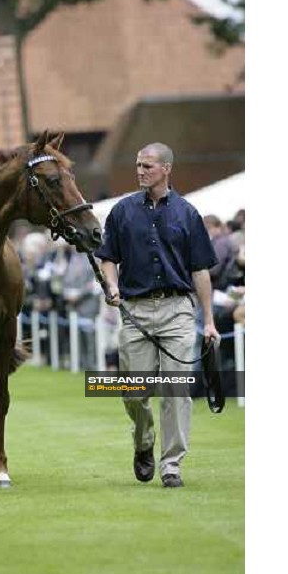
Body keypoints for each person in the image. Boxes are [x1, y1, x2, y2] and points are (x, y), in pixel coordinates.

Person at [95, 142, 220, 488]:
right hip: (134, 310)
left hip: (178, 310)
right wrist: (111, 285)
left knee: (175, 390)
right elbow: (108, 257)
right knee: (134, 392)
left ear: (166, 169)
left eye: (147, 166)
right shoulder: (121, 211)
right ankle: (144, 441)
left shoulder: (188, 214)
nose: (140, 171)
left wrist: (208, 320)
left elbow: (200, 271)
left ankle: (172, 464)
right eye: (138, 165)